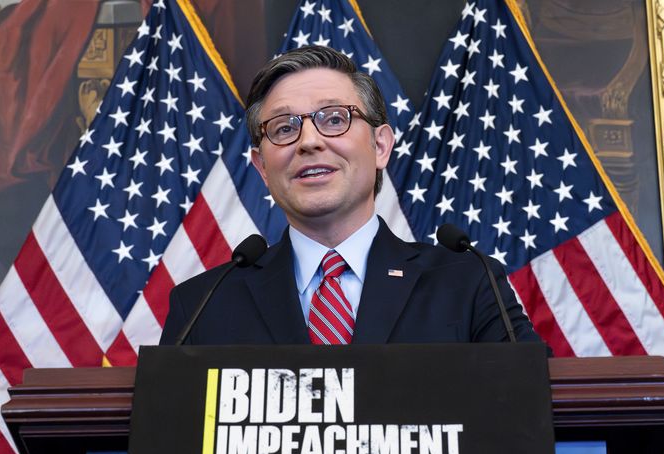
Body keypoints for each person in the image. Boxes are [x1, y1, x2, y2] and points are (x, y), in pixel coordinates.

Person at [159, 45, 539, 346]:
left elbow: (530, 410)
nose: (309, 141)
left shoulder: (469, 283)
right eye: (284, 127)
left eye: (335, 119)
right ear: (261, 167)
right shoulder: (203, 305)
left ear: (380, 146)